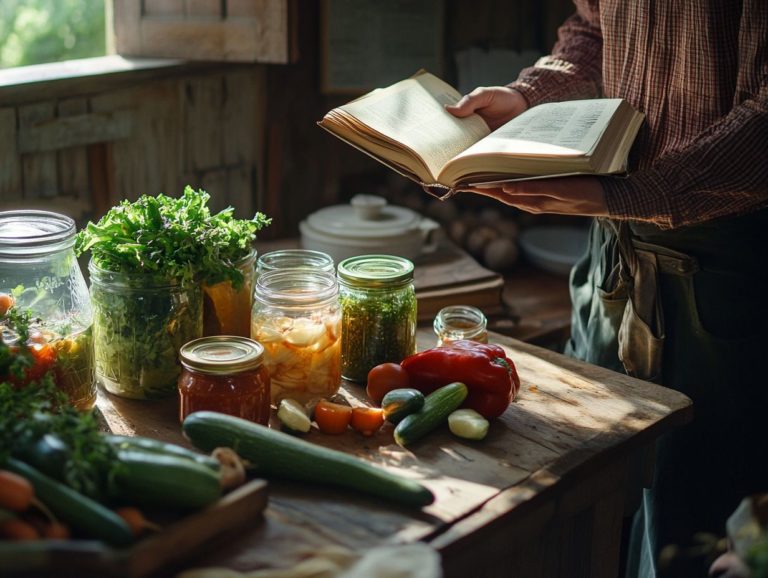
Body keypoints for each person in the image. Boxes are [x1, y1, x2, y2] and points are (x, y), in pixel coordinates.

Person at [446, 2, 768, 577]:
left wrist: (637, 193)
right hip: (611, 252)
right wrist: (530, 95)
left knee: (692, 523)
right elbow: (593, 27)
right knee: (577, 481)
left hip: (726, 269)